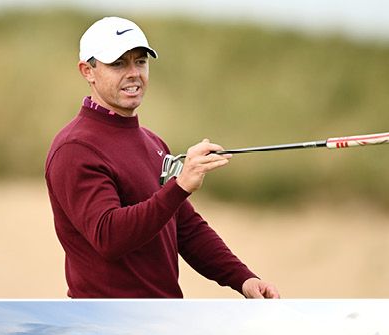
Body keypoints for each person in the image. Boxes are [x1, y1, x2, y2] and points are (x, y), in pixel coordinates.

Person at [45, 16, 279, 298]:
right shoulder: (75, 148)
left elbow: (186, 229)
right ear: (88, 71)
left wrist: (242, 279)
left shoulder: (153, 142)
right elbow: (109, 237)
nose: (133, 73)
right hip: (105, 326)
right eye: (118, 63)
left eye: (140, 61)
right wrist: (178, 188)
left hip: (161, 321)